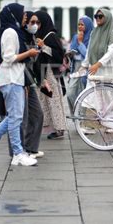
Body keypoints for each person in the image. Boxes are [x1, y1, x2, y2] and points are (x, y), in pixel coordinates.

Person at [0, 3, 39, 166]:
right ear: (14, 14)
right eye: (22, 13)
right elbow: (9, 57)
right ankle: (17, 153)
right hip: (10, 78)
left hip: (14, 78)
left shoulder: (13, 31)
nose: (25, 16)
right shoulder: (10, 32)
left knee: (13, 116)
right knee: (16, 117)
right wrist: (29, 53)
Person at [32, 10, 68, 140]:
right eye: (35, 22)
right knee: (45, 99)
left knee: (54, 100)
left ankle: (59, 128)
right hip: (43, 72)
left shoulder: (51, 36)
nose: (36, 24)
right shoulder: (41, 34)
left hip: (51, 72)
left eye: (38, 22)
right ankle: (50, 127)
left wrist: (44, 46)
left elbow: (59, 55)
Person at [20, 11, 44, 158]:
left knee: (37, 114)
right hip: (22, 81)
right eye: (32, 22)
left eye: (37, 23)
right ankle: (21, 150)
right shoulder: (20, 36)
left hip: (30, 80)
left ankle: (30, 148)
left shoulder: (33, 38)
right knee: (21, 118)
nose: (35, 25)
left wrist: (42, 80)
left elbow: (35, 63)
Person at [66, 15, 93, 113]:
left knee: (83, 93)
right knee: (70, 93)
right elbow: (73, 50)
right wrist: (69, 54)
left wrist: (80, 43)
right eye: (79, 24)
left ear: (88, 25)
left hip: (85, 67)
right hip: (76, 67)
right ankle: (76, 114)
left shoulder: (92, 37)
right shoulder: (75, 37)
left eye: (82, 25)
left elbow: (88, 55)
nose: (80, 27)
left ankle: (82, 118)